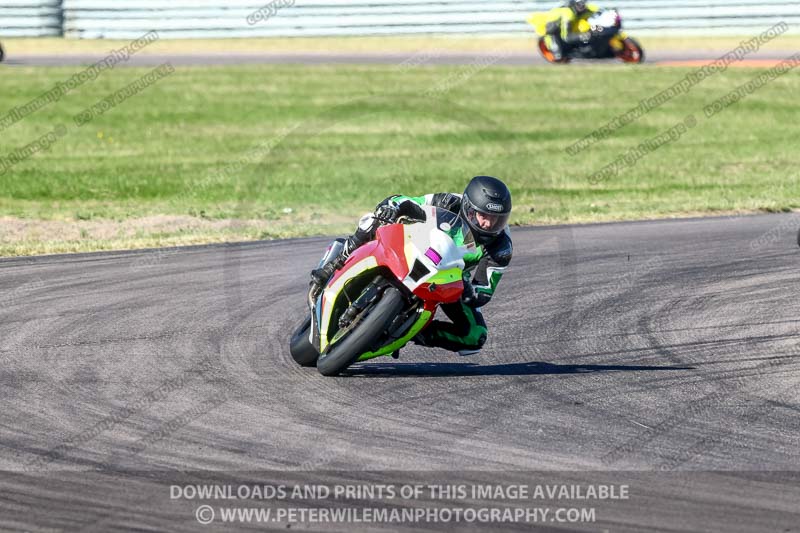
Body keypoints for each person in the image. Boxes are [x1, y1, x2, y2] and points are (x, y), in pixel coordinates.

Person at [310, 175, 514, 357]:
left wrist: (469, 289)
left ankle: (411, 331)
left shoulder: (502, 247)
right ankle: (335, 263)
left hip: (448, 280)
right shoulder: (449, 201)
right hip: (416, 247)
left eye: (497, 219)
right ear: (469, 208)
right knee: (374, 219)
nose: (488, 224)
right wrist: (393, 207)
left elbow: (484, 291)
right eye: (484, 216)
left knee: (475, 336)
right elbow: (405, 201)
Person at [535, 0, 601, 61]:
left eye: (583, 4)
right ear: (573, 4)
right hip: (555, 31)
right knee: (559, 57)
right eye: (579, 4)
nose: (582, 6)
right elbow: (566, 36)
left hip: (570, 29)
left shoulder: (587, 9)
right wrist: (584, 36)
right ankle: (557, 51)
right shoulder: (568, 13)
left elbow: (598, 12)